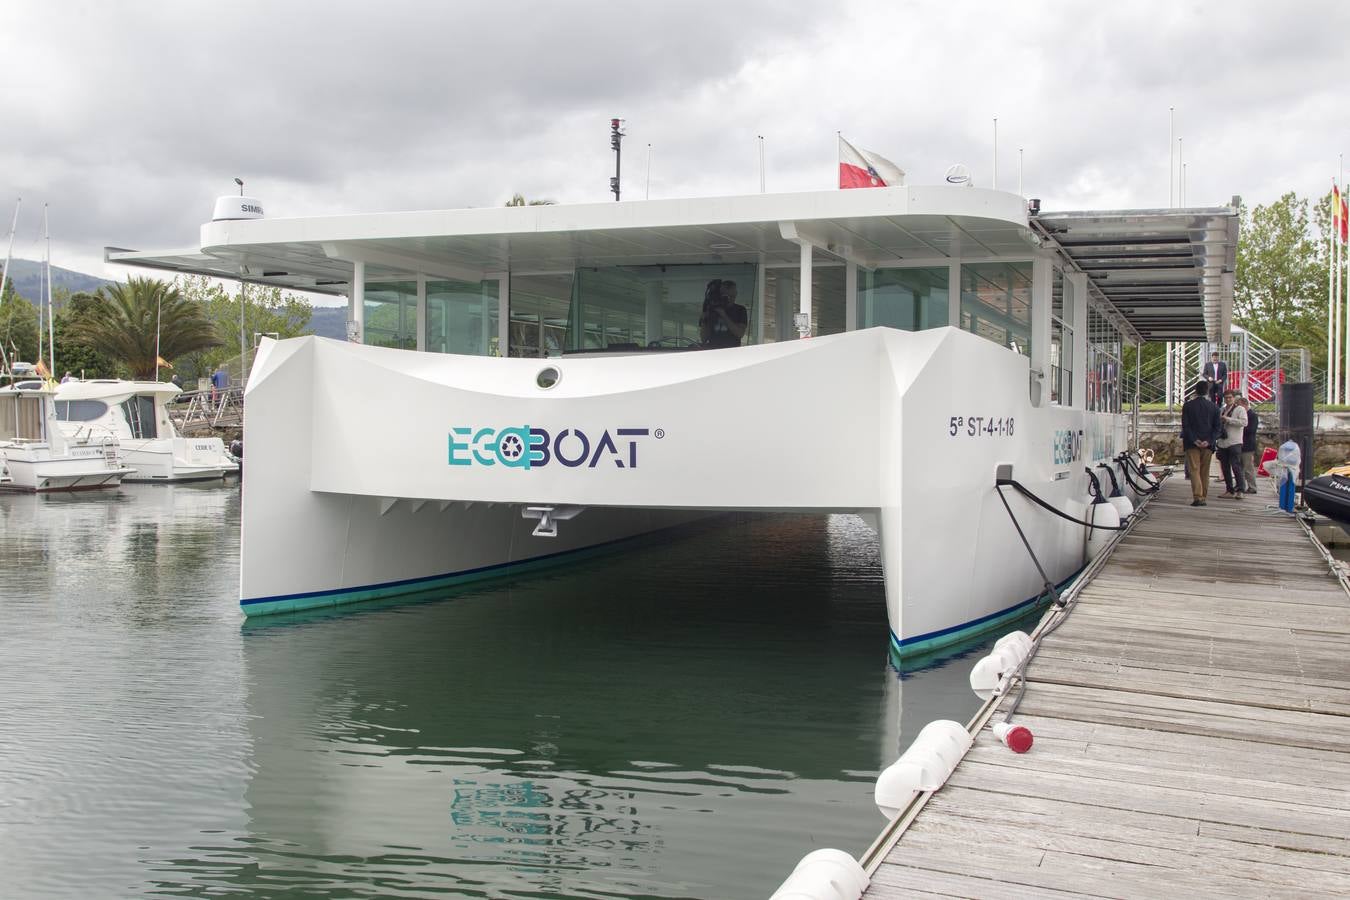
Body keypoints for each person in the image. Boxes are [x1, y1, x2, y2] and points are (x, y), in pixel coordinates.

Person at [1180, 379, 1221, 507]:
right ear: (1207, 391)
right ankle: (1203, 496)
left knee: (1194, 469)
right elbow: (1217, 428)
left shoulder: (1188, 406)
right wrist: (1209, 440)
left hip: (1192, 443)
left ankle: (1197, 496)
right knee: (1205, 471)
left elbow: (1185, 426)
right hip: (1208, 444)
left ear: (1195, 391)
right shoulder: (1214, 407)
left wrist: (1194, 439)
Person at [699, 279, 748, 349]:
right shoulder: (712, 310)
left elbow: (740, 333)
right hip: (713, 351)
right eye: (726, 296)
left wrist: (723, 315)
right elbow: (703, 338)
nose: (729, 299)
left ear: (736, 294)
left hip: (732, 352)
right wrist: (705, 318)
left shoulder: (740, 310)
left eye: (732, 296)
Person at [1216, 389, 1247, 498]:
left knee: (1236, 467)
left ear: (1234, 398)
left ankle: (1240, 489)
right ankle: (1229, 490)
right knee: (1225, 468)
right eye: (1226, 398)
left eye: (1230, 397)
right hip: (1223, 442)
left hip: (1235, 442)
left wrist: (1228, 419)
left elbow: (1244, 422)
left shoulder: (1240, 409)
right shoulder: (1222, 409)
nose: (1228, 399)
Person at [1238, 394, 1259, 495]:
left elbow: (1251, 430)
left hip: (1248, 445)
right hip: (1241, 444)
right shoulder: (1243, 415)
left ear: (1245, 405)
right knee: (1240, 467)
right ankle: (1241, 485)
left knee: (1248, 467)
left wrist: (1240, 426)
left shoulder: (1252, 415)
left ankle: (1252, 486)